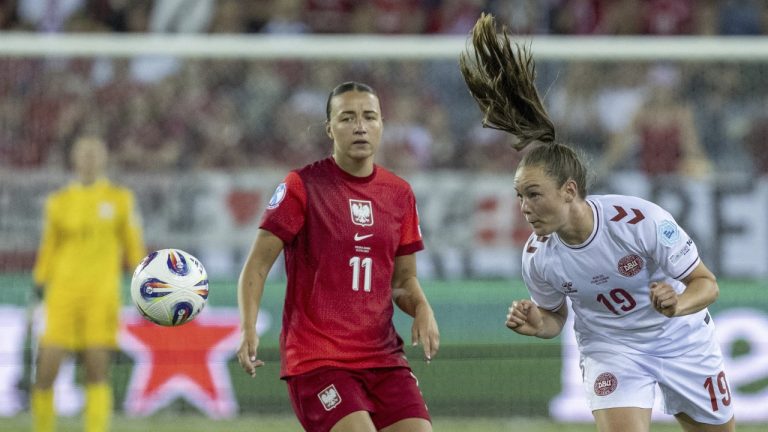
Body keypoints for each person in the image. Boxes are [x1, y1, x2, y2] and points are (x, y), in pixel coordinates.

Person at [459, 14, 735, 432]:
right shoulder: (537, 257)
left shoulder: (639, 221)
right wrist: (539, 324)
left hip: (680, 338)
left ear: (569, 191)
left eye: (533, 194)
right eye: (520, 196)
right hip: (612, 350)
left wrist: (676, 304)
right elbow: (554, 317)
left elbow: (707, 284)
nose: (524, 207)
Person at [236, 81, 439, 432]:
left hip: (383, 357)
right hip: (318, 359)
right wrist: (248, 328)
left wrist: (422, 308)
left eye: (369, 117)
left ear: (382, 124)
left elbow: (404, 280)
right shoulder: (302, 186)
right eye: (347, 118)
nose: (360, 126)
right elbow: (257, 264)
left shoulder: (399, 194)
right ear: (329, 128)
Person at [31, 136, 146, 432]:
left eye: (95, 153)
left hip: (101, 295)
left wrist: (145, 282)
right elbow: (49, 246)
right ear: (74, 159)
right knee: (46, 370)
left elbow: (133, 247)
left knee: (97, 370)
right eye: (84, 153)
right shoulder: (59, 202)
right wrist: (39, 283)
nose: (89, 159)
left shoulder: (120, 199)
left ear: (104, 159)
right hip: (62, 295)